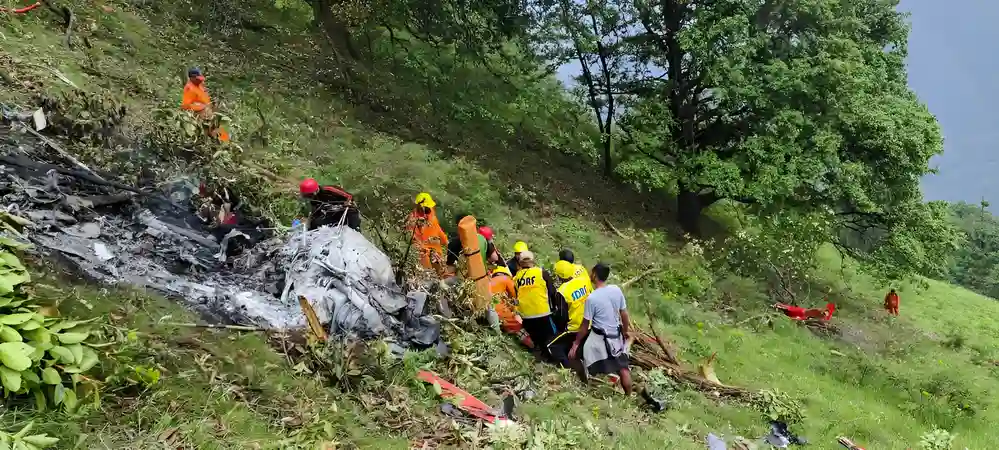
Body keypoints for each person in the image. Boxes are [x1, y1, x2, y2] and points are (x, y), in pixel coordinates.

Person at [569, 263, 633, 395]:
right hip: (615, 335)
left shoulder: (592, 298)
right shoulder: (616, 290)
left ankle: (588, 383)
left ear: (594, 275)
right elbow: (624, 314)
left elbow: (585, 326)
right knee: (623, 368)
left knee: (578, 355)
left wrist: (575, 344)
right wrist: (625, 332)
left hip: (598, 337)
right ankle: (628, 396)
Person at [513, 251, 566, 361]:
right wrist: (555, 308)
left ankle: (538, 354)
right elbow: (552, 292)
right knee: (553, 339)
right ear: (533, 261)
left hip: (526, 317)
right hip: (543, 314)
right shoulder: (541, 272)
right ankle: (554, 359)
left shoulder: (516, 277)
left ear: (520, 263)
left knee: (537, 339)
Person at [547, 260, 593, 368]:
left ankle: (568, 367)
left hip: (574, 328)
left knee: (551, 345)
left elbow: (562, 316)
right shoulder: (584, 280)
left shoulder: (563, 291)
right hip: (589, 324)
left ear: (559, 276)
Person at [489, 265, 533, 348]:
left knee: (507, 325)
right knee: (517, 327)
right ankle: (533, 346)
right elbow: (514, 297)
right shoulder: (506, 279)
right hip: (499, 309)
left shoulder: (490, 281)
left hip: (489, 309)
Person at [181, 67, 229, 142]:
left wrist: (212, 105)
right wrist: (202, 108)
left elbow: (204, 99)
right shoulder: (189, 88)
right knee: (208, 136)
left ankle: (227, 144)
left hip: (209, 116)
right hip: (200, 119)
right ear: (192, 78)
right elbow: (186, 106)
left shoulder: (200, 85)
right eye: (197, 78)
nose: (200, 80)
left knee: (221, 133)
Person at [406, 193, 448, 273]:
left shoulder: (432, 216)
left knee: (441, 270)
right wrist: (423, 248)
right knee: (427, 271)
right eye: (426, 207)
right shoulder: (412, 221)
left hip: (435, 250)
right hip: (423, 253)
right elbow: (412, 239)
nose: (428, 209)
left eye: (428, 208)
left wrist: (447, 243)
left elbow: (439, 231)